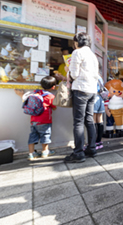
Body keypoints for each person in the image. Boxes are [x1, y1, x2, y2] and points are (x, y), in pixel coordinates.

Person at [64, 32, 99, 163]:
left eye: (74, 43)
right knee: (89, 120)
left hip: (80, 89)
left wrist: (68, 70)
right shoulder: (93, 55)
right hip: (92, 90)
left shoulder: (77, 52)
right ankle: (91, 148)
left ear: (77, 42)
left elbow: (74, 74)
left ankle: (78, 152)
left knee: (78, 121)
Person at [15, 76, 57, 160]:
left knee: (33, 136)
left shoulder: (35, 93)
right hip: (45, 120)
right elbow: (54, 107)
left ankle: (31, 154)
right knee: (45, 135)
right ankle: (45, 152)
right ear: (53, 87)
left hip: (33, 120)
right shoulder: (50, 96)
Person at [92, 63, 105, 149]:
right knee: (99, 119)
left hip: (94, 97)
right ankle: (99, 141)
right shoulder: (99, 76)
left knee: (93, 119)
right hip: (100, 98)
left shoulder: (92, 75)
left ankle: (93, 142)